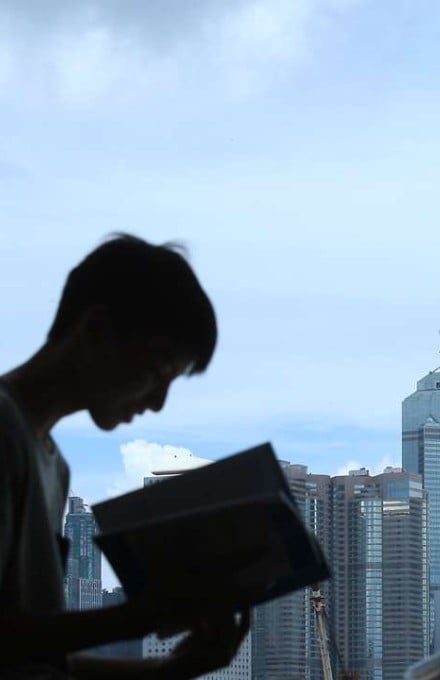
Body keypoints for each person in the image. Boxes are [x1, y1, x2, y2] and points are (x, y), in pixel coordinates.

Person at [0, 235, 249, 678]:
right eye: (157, 373)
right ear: (96, 332)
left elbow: (38, 661)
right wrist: (137, 617)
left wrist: (172, 669)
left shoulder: (53, 464)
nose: (156, 403)